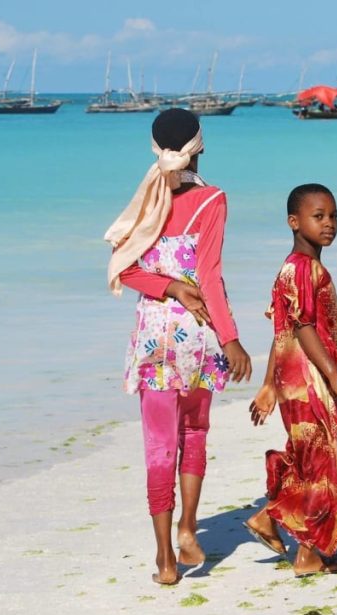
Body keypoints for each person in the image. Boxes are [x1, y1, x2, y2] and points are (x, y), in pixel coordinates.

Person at [105, 108, 252, 584]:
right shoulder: (213, 200)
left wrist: (166, 287)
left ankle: (165, 559)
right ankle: (189, 528)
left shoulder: (144, 201)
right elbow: (209, 276)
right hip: (198, 337)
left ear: (155, 149)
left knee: (158, 446)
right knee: (195, 434)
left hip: (152, 340)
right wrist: (231, 339)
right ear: (200, 146)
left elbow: (126, 270)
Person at [245, 183, 337, 577]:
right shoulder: (300, 268)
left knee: (309, 458)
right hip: (310, 380)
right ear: (294, 222)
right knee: (321, 462)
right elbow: (303, 325)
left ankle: (268, 519)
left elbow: (282, 332)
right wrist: (334, 374)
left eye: (333, 216)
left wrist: (269, 384)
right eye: (319, 216)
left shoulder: (297, 267)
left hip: (293, 379)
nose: (329, 223)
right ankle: (308, 553)